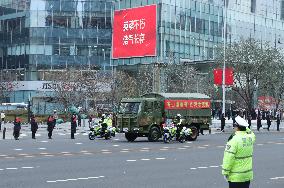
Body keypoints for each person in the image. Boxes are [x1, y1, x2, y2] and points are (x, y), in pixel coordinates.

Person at [222, 116, 256, 188]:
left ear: (237, 127)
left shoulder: (234, 140)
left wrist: (225, 172)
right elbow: (252, 134)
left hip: (236, 177)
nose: (234, 128)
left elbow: (228, 158)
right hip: (247, 175)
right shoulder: (249, 138)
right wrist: (245, 127)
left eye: (234, 126)